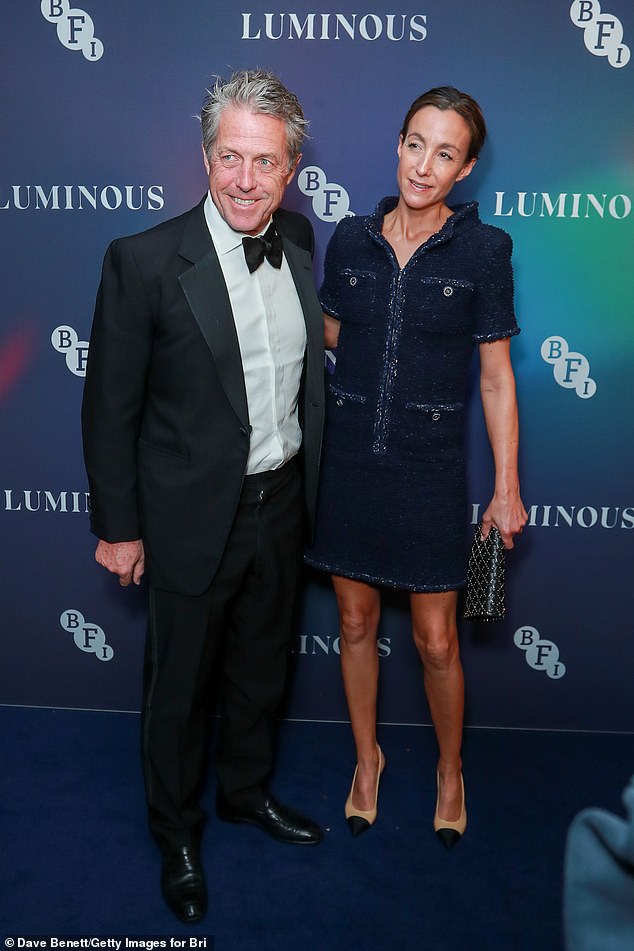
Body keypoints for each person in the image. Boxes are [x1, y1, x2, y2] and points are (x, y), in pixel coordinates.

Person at [82, 69, 325, 923]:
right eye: (231, 157)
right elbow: (109, 406)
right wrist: (118, 526)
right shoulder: (143, 261)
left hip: (281, 503)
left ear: (291, 166)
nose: (246, 180)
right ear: (206, 157)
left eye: (265, 161)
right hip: (188, 515)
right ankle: (176, 830)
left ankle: (244, 791)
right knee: (180, 688)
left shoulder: (297, 239)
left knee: (262, 671)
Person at [305, 86, 527, 845]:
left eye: (446, 152)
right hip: (349, 463)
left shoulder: (485, 251)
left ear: (465, 169)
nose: (424, 165)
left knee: (437, 639)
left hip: (429, 468)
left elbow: (495, 376)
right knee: (355, 618)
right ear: (397, 143)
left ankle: (449, 768)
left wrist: (506, 486)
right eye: (416, 143)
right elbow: (328, 337)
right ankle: (367, 760)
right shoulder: (349, 238)